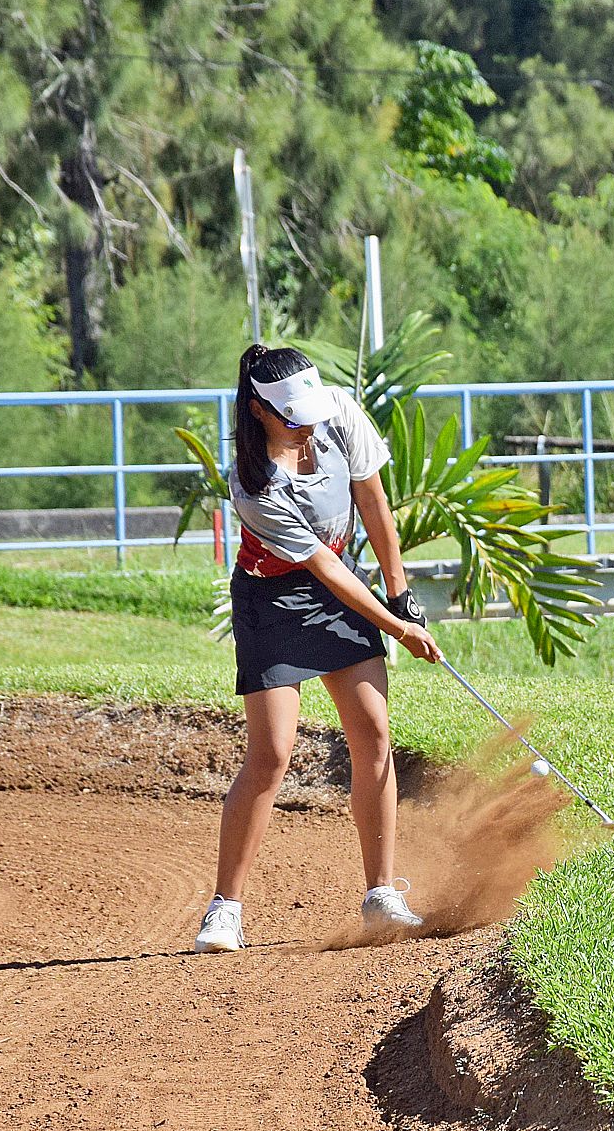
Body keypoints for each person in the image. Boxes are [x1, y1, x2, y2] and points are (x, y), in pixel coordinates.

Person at [191, 344, 446, 954]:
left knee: (374, 733)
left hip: (347, 589)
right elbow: (324, 567)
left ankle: (381, 896)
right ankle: (224, 909)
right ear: (258, 411)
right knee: (273, 752)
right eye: (290, 416)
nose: (305, 426)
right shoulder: (251, 484)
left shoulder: (339, 413)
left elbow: (373, 503)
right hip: (273, 600)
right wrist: (395, 628)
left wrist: (400, 590)